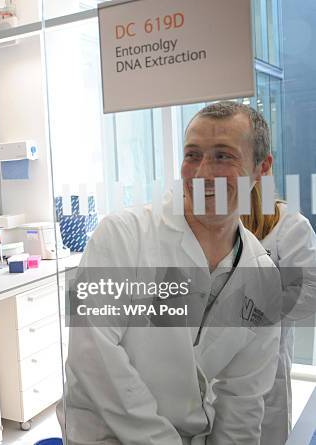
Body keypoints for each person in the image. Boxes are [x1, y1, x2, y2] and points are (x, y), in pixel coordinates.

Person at [59, 101, 282, 444]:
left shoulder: (262, 278)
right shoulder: (122, 235)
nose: (203, 172)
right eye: (192, 155)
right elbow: (93, 357)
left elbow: (243, 399)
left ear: (261, 169)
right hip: (105, 436)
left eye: (223, 156)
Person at [241, 172, 316, 444]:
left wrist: (256, 306)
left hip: (267, 367)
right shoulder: (212, 224)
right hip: (211, 367)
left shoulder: (289, 224)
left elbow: (309, 291)